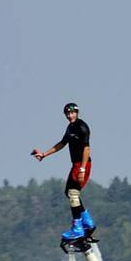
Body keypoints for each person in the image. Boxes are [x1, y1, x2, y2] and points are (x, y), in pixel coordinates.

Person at [32, 103, 96, 243]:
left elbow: (86, 149)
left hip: (83, 164)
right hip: (76, 165)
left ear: (77, 113)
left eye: (72, 113)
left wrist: (82, 169)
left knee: (73, 193)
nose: (69, 115)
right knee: (69, 192)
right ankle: (87, 222)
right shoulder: (70, 127)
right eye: (67, 113)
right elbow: (62, 143)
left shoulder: (82, 127)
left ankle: (78, 228)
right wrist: (44, 154)